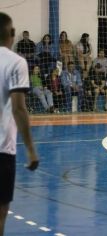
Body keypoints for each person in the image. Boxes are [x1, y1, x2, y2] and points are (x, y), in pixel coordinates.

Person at [0, 12, 39, 236]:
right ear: (12, 33)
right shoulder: (16, 62)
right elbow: (18, 108)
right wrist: (31, 150)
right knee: (1, 210)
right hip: (3, 149)